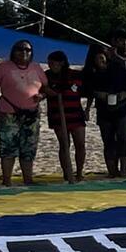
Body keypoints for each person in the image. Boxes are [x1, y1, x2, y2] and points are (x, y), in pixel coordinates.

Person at [0, 40, 46, 188]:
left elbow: (46, 88)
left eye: (28, 50)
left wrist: (42, 96)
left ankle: (28, 179)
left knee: (29, 148)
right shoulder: (2, 68)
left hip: (31, 114)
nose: (24, 53)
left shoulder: (36, 68)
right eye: (20, 49)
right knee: (8, 148)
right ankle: (7, 180)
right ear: (13, 51)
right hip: (8, 113)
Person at [84, 41, 126, 178]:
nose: (100, 60)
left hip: (122, 107)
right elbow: (88, 91)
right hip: (104, 110)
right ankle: (113, 171)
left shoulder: (117, 68)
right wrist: (94, 99)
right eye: (97, 58)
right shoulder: (91, 72)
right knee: (108, 140)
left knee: (123, 138)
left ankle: (123, 170)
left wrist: (125, 93)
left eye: (102, 57)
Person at [42, 51, 87, 183]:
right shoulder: (47, 76)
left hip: (75, 113)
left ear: (61, 63)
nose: (50, 66)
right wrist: (47, 91)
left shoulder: (75, 75)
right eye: (49, 63)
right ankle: (67, 173)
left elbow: (83, 90)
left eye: (52, 63)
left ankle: (79, 172)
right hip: (57, 114)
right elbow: (42, 88)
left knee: (80, 144)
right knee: (64, 144)